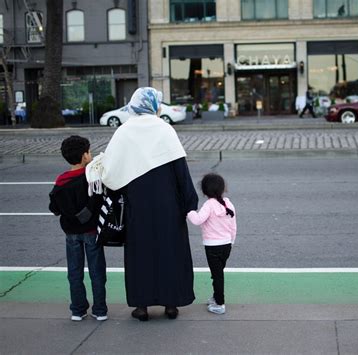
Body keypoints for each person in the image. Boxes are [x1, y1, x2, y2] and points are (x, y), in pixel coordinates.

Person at [86, 87, 198, 322]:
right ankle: (171, 304)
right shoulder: (165, 129)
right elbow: (181, 171)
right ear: (153, 105)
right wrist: (189, 203)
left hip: (137, 206)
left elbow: (111, 174)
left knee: (140, 255)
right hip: (169, 206)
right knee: (171, 253)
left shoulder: (124, 131)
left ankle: (141, 306)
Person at [49, 135, 107, 322]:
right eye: (89, 152)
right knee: (97, 272)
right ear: (84, 156)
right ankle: (100, 310)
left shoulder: (61, 181)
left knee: (74, 272)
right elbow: (99, 201)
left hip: (71, 233)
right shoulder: (91, 178)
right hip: (91, 232)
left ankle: (77, 310)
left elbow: (54, 208)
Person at [187, 173, 237, 315]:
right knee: (218, 273)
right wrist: (231, 241)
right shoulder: (228, 203)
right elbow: (233, 226)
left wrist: (188, 211)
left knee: (217, 275)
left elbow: (197, 220)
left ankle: (220, 303)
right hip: (227, 244)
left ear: (204, 191)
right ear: (222, 188)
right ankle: (216, 297)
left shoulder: (209, 205)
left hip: (212, 246)